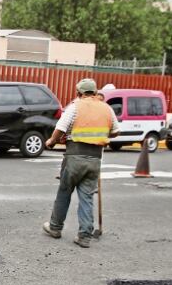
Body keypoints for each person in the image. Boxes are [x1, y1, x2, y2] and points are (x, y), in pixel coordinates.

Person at [42, 78, 119, 248]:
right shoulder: (106, 108)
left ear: (79, 93)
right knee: (87, 197)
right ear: (95, 91)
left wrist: (51, 141)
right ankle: (84, 236)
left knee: (64, 192)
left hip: (75, 156)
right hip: (95, 159)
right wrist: (100, 135)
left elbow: (61, 127)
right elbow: (115, 131)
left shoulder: (75, 106)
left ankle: (55, 227)